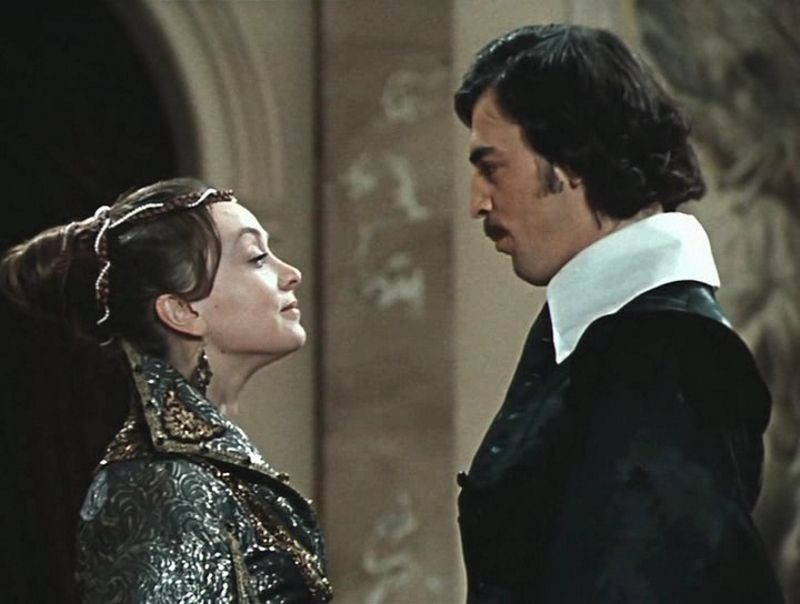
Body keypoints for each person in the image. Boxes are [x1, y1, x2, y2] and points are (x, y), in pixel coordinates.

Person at [453, 24, 784, 603]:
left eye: (493, 167)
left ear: (572, 158)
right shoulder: (618, 335)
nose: (477, 201)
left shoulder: (666, 353)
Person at [0, 178, 332, 603]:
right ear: (182, 311)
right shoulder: (163, 485)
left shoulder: (208, 469)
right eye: (256, 257)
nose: (291, 274)